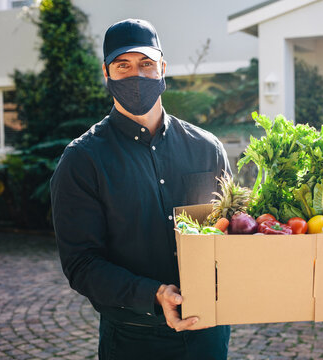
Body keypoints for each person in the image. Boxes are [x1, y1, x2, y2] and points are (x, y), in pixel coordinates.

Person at [50, 19, 231, 359]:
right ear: (107, 72)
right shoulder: (82, 160)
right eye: (124, 65)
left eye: (146, 64)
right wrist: (153, 294)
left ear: (162, 67)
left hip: (208, 334)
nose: (137, 75)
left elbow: (228, 232)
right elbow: (82, 264)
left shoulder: (208, 149)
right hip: (134, 339)